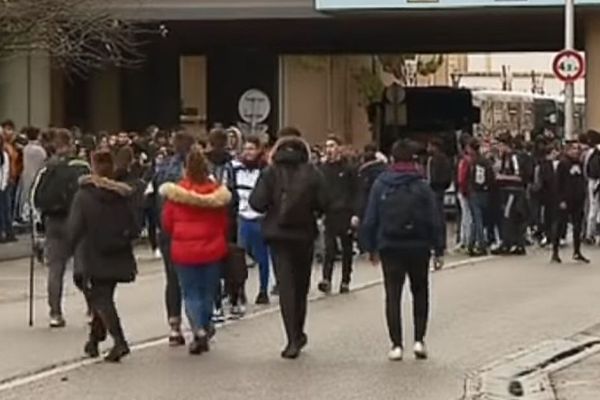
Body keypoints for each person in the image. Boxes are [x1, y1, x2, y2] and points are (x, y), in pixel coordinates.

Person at [249, 128, 328, 359]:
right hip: (303, 234)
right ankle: (299, 331)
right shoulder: (312, 172)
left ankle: (291, 338)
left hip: (277, 234)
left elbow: (256, 203)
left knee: (286, 286)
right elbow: (325, 202)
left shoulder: (270, 172)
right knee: (301, 286)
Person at [361, 139, 442, 362]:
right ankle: (419, 340)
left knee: (393, 295)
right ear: (414, 160)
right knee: (420, 292)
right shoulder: (422, 185)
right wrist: (439, 248)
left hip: (390, 245)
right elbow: (434, 218)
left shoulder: (382, 183)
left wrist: (370, 246)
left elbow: (371, 217)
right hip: (419, 245)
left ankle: (396, 345)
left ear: (393, 158)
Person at [67, 150, 138, 362]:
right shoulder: (122, 195)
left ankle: (119, 341)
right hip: (117, 252)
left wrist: (66, 249)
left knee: (100, 298)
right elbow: (135, 226)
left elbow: (74, 228)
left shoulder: (84, 195)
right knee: (103, 296)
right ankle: (94, 339)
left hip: (93, 254)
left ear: (93, 166)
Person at [160, 146, 232, 355]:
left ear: (186, 169)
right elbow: (224, 224)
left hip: (184, 250)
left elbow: (167, 223)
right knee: (208, 292)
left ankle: (198, 330)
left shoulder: (176, 194)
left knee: (190, 292)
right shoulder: (217, 194)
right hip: (211, 249)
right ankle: (205, 325)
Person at [32, 129, 90, 328]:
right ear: (71, 144)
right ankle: (92, 307)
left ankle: (55, 313)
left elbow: (36, 198)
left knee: (55, 269)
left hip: (53, 222)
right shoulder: (81, 166)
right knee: (83, 267)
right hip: (77, 221)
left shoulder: (48, 168)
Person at [153, 131, 195, 346]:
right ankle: (199, 325)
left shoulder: (162, 170)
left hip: (168, 231)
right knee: (195, 279)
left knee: (172, 280)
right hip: (192, 231)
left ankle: (174, 326)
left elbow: (153, 200)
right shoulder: (197, 170)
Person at [232, 136, 271, 306]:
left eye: (252, 149)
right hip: (242, 218)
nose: (248, 152)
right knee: (239, 257)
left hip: (260, 218)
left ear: (258, 151)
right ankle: (240, 290)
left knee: (262, 257)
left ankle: (263, 290)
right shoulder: (236, 169)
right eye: (246, 149)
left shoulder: (265, 171)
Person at [318, 135, 358, 295]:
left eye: (332, 146)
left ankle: (345, 280)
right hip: (329, 213)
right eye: (327, 146)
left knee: (347, 248)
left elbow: (356, 191)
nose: (329, 150)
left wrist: (356, 213)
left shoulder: (349, 168)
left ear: (339, 148)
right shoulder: (322, 169)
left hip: (345, 213)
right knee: (329, 248)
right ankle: (326, 278)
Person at [205, 128, 235, 323]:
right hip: (227, 215)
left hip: (208, 216)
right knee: (228, 258)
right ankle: (232, 297)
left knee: (212, 261)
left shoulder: (203, 163)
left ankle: (216, 303)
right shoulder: (233, 163)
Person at [551, 143, 590, 264]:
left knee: (577, 226)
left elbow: (582, 179)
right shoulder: (563, 163)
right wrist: (560, 199)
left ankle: (577, 251)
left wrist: (584, 193)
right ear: (567, 151)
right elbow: (558, 183)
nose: (576, 151)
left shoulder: (579, 163)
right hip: (565, 200)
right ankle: (555, 252)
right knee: (560, 225)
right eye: (573, 149)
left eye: (577, 149)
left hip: (578, 199)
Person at [492, 134, 528, 256]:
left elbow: (519, 177)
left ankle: (510, 243)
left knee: (509, 216)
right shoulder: (504, 158)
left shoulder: (513, 158)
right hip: (506, 191)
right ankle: (513, 242)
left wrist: (502, 177)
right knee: (509, 217)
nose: (498, 148)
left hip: (514, 191)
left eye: (499, 145)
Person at [426, 138, 452, 265]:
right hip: (437, 189)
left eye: (430, 146)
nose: (427, 149)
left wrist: (433, 184)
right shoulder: (440, 159)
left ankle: (438, 244)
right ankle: (439, 243)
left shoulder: (438, 160)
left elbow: (436, 176)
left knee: (437, 218)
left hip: (436, 190)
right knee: (438, 217)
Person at [466, 139, 495, 256]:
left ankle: (480, 244)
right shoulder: (486, 162)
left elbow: (474, 178)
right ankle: (471, 243)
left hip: (475, 192)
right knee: (477, 219)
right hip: (485, 192)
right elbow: (490, 177)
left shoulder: (475, 162)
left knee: (477, 219)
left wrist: (471, 187)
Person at [18, 127, 47, 223]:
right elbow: (44, 163)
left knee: (25, 196)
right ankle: (35, 217)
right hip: (37, 175)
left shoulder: (25, 149)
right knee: (35, 197)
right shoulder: (40, 150)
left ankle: (24, 215)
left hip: (26, 175)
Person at [584, 130, 600, 244]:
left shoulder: (590, 152)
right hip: (597, 180)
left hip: (592, 180)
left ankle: (590, 233)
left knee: (593, 207)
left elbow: (586, 167)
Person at [0, 132, 14, 242]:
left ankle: (7, 233)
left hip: (3, 185)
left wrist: (3, 184)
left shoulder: (4, 154)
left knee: (4, 210)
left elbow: (6, 170)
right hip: (3, 185)